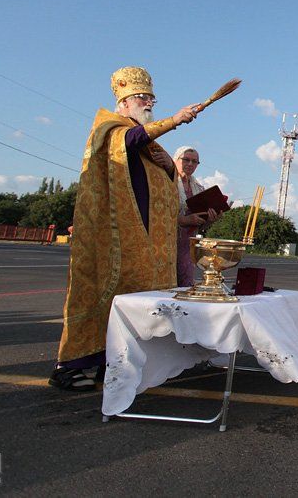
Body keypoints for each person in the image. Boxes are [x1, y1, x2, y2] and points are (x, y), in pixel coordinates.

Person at [50, 66, 207, 391]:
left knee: (130, 303)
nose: (149, 103)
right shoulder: (110, 127)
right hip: (112, 237)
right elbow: (129, 141)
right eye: (142, 97)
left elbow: (159, 171)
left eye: (151, 98)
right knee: (100, 298)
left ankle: (111, 363)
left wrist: (169, 167)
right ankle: (69, 366)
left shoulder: (145, 139)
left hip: (141, 238)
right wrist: (175, 120)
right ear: (124, 101)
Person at [173, 146, 219, 287]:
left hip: (188, 244)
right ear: (175, 160)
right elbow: (157, 214)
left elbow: (201, 223)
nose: (190, 164)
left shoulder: (198, 188)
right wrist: (184, 220)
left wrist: (209, 219)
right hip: (168, 242)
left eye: (194, 161)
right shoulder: (167, 183)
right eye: (186, 159)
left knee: (185, 282)